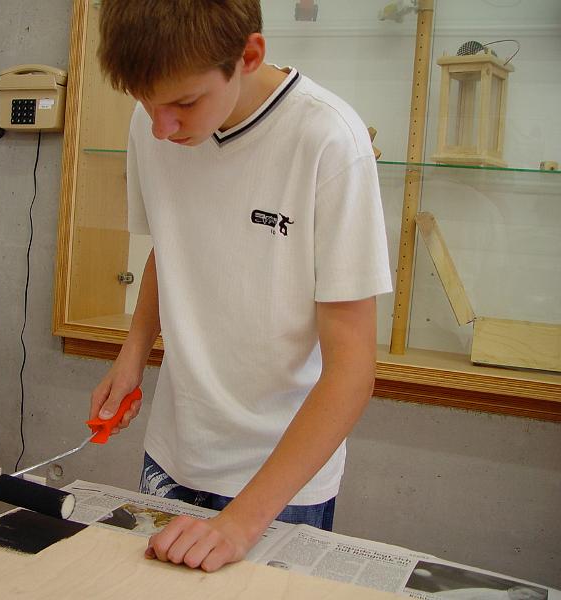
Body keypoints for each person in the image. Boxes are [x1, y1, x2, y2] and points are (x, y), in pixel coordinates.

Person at [89, 0, 392, 573]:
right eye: (145, 103)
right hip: (173, 451)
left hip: (277, 482)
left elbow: (352, 371)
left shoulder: (328, 140)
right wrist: (133, 355)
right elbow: (171, 246)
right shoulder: (153, 121)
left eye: (183, 103)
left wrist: (241, 522)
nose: (161, 128)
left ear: (249, 55)